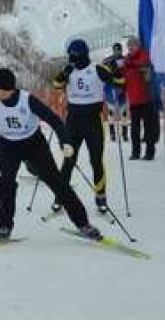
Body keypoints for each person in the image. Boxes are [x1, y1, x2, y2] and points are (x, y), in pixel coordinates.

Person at [0, 67, 102, 242]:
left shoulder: (27, 100)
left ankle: (83, 223)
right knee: (7, 183)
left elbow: (54, 120)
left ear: (7, 90)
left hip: (34, 144)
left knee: (57, 182)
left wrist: (65, 142)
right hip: (8, 146)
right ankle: (4, 226)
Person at [52, 38, 125, 214]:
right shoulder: (69, 70)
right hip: (73, 121)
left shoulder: (98, 69)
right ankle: (61, 196)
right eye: (70, 56)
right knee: (68, 160)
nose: (73, 60)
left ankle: (100, 197)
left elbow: (120, 83)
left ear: (84, 55)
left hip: (93, 121)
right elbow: (56, 84)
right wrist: (64, 73)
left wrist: (117, 72)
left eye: (75, 57)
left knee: (96, 161)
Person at [122, 36, 160, 160]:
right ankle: (135, 152)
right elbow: (124, 74)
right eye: (129, 46)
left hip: (146, 99)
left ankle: (150, 152)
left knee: (148, 127)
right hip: (133, 100)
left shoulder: (144, 55)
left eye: (133, 45)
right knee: (134, 129)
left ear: (138, 46)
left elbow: (144, 64)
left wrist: (130, 65)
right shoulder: (127, 59)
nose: (130, 48)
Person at [103, 42, 129, 142]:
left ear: (121, 50)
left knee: (123, 112)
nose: (117, 51)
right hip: (111, 88)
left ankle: (125, 133)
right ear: (113, 50)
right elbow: (103, 67)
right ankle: (112, 133)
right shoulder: (109, 59)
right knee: (111, 112)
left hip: (122, 88)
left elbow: (127, 68)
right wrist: (109, 65)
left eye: (119, 50)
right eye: (116, 50)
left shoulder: (125, 59)